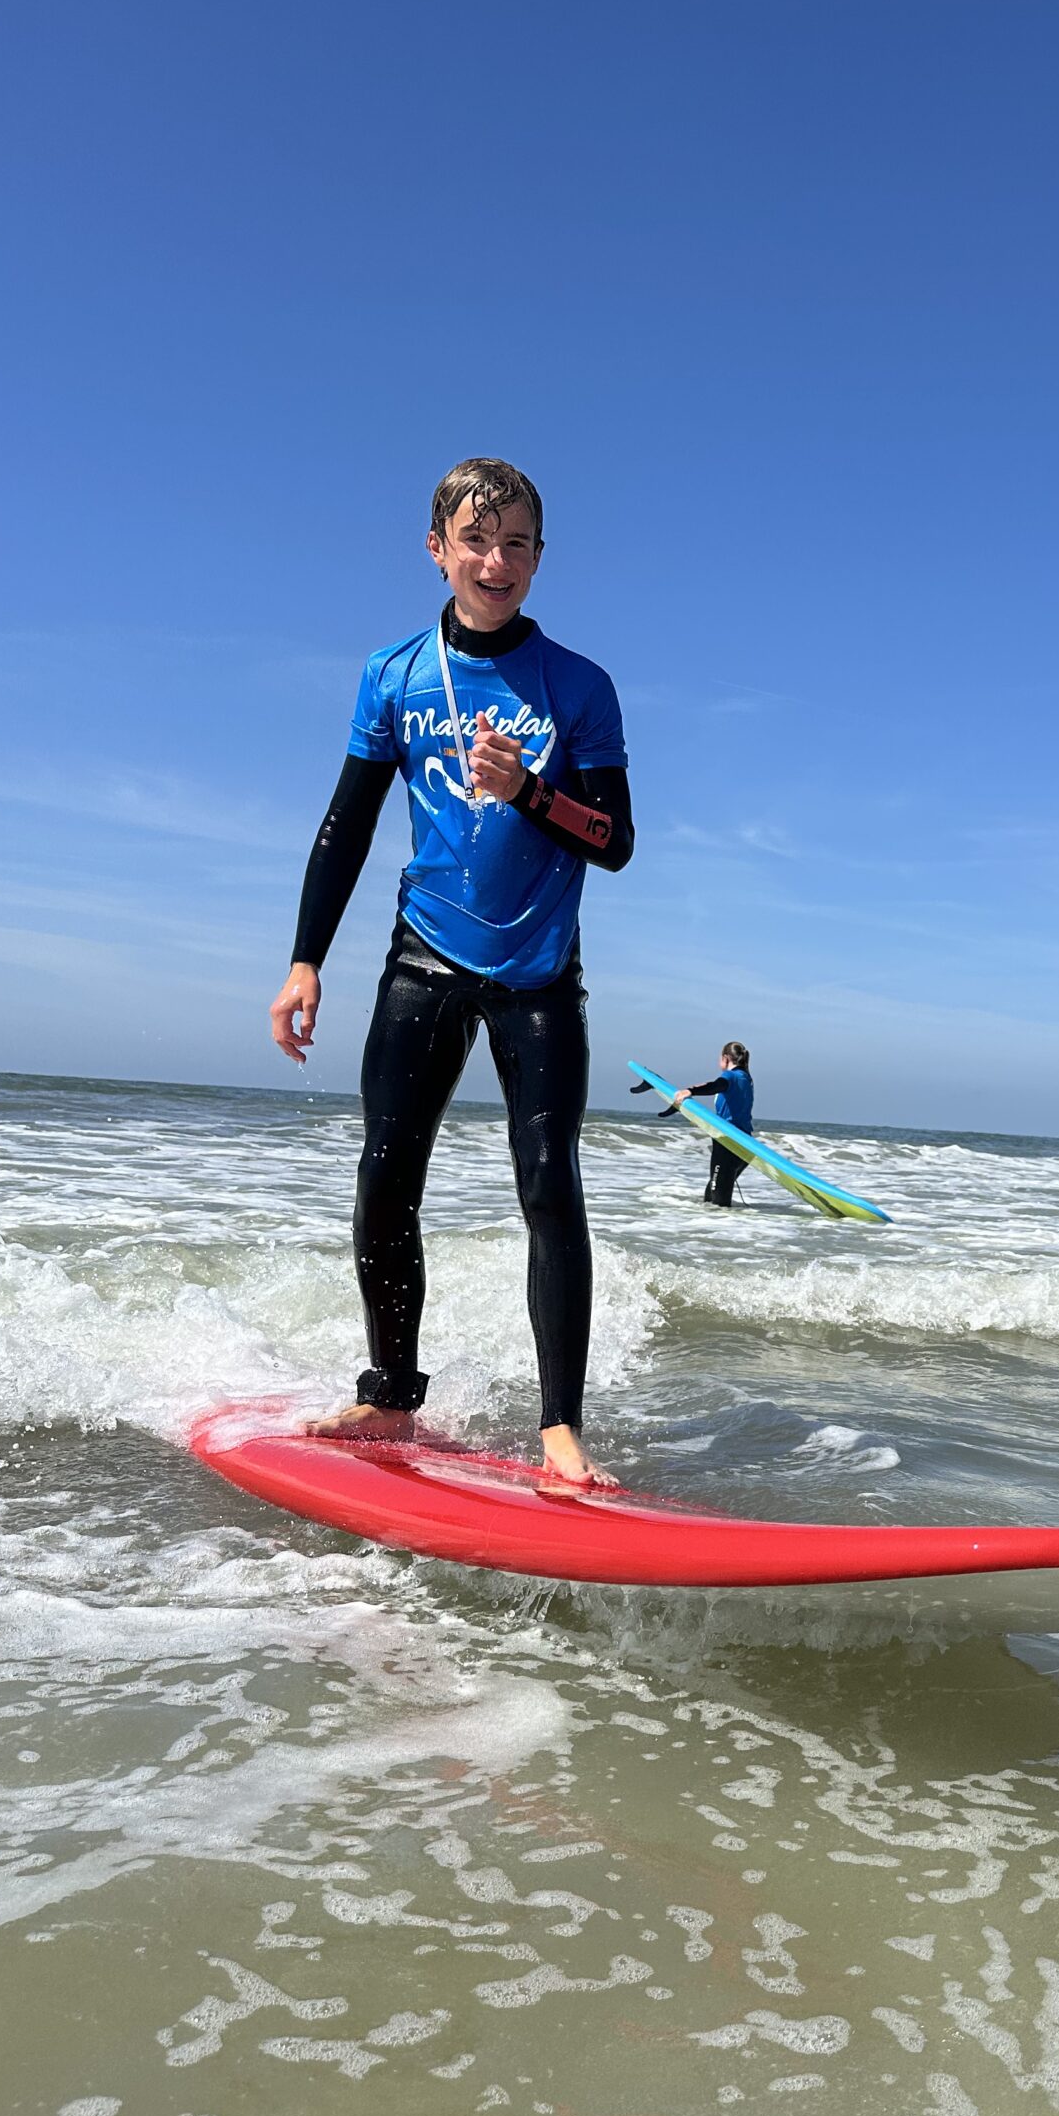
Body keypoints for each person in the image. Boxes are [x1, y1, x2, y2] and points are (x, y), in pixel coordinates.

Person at [267, 458, 634, 1486]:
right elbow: (345, 826)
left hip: (539, 973)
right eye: (477, 540)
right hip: (423, 954)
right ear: (438, 550)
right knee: (386, 1176)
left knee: (548, 1184)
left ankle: (560, 1428)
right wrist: (304, 960)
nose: (496, 561)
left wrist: (531, 793)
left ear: (540, 558)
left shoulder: (578, 686)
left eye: (516, 543)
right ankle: (390, 1396)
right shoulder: (396, 675)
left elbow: (615, 841)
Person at [677, 1044, 755, 1206]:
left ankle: (724, 1223)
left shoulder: (730, 1076)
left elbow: (716, 1086)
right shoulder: (745, 1078)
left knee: (718, 1203)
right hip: (745, 1145)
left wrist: (690, 1091)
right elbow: (716, 1085)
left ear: (725, 1058)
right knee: (711, 1196)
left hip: (728, 1143)